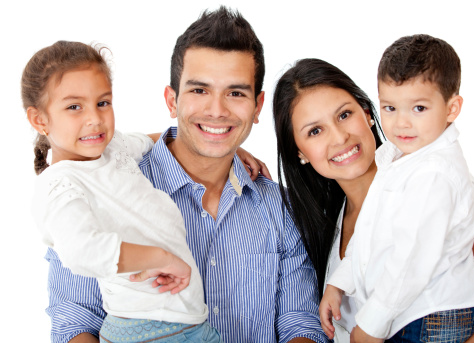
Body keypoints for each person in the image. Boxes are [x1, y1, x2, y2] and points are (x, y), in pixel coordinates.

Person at [42, 7, 329, 343]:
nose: (217, 110)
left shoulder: (280, 208)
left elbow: (301, 324)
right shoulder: (102, 186)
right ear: (171, 100)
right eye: (199, 90)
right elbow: (75, 320)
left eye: (236, 93)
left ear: (257, 107)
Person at [272, 57, 474, 343]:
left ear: (368, 113)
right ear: (299, 153)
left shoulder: (430, 177)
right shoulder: (327, 235)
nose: (340, 137)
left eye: (344, 115)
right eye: (315, 131)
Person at [23, 40, 222, 342]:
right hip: (147, 329)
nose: (94, 118)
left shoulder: (114, 149)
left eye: (103, 102)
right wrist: (161, 259)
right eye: (74, 107)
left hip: (189, 322)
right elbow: (82, 252)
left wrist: (224, 149)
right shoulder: (59, 184)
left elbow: (161, 140)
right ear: (40, 120)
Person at [322, 34, 474, 342]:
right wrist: (339, 283)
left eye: (419, 108)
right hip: (413, 311)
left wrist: (371, 324)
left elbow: (411, 260)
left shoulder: (434, 174)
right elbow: (371, 233)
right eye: (390, 108)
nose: (401, 124)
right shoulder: (402, 159)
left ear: (452, 109)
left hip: (434, 312)